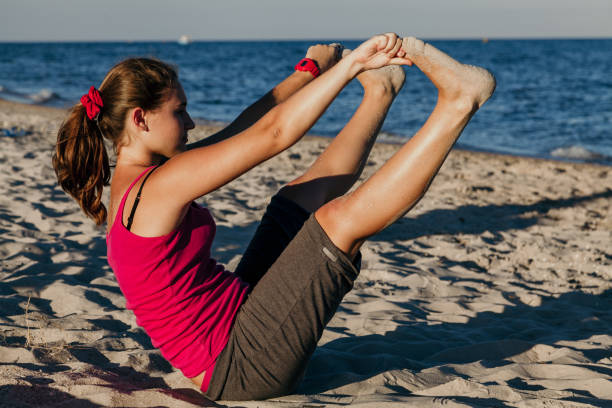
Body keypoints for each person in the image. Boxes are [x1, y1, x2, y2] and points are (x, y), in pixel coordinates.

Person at [53, 33, 495, 400]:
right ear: (140, 119)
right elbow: (274, 133)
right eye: (179, 110)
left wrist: (308, 72)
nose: (189, 123)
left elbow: (249, 125)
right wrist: (351, 65)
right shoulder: (156, 188)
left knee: (294, 202)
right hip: (238, 370)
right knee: (335, 223)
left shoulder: (142, 179)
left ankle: (381, 92)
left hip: (239, 319)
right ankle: (458, 103)